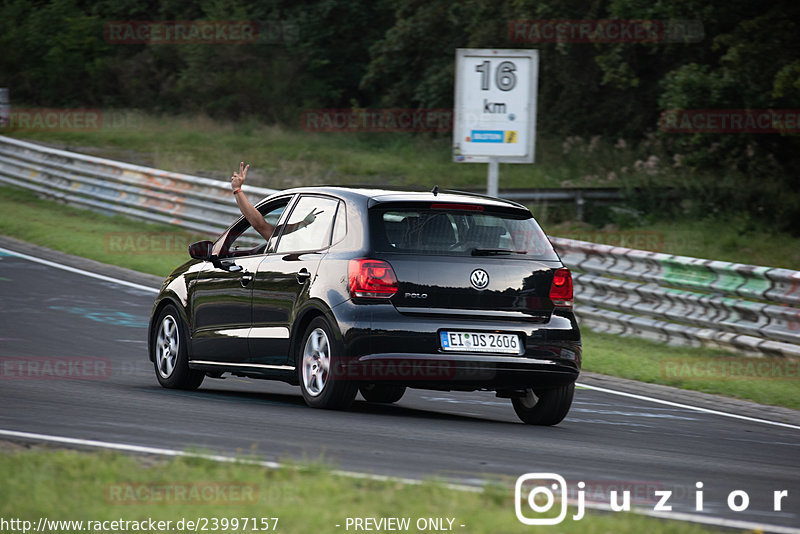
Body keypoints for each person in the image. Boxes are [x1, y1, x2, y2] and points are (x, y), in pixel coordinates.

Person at [230, 161, 319, 242]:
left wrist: (237, 189)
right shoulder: (318, 239)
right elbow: (260, 225)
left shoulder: (289, 243)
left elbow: (259, 225)